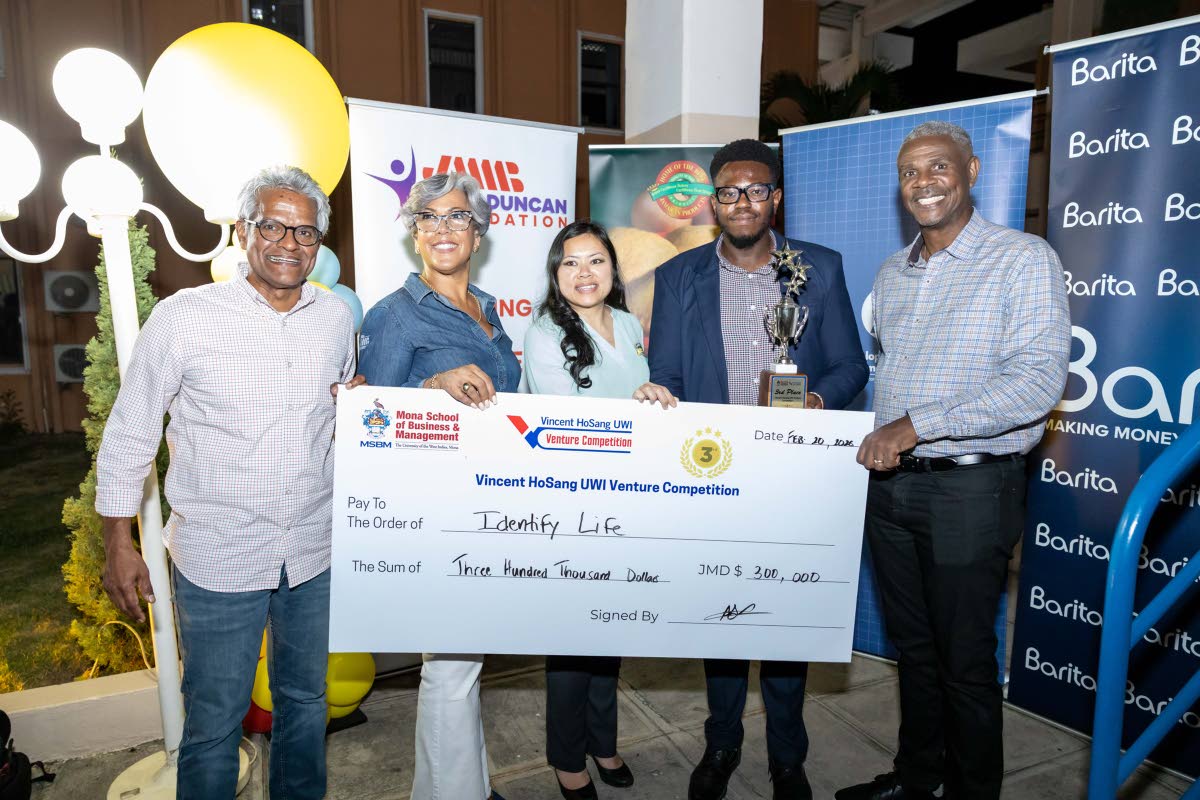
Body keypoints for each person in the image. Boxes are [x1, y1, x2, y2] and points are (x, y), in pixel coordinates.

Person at [96, 165, 362, 799]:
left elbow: (338, 414)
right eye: (273, 225)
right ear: (244, 231)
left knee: (306, 702)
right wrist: (118, 543)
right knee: (214, 723)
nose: (289, 243)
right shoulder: (183, 317)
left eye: (305, 232)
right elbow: (131, 431)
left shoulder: (333, 320)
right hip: (219, 555)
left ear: (320, 243)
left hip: (312, 553)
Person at [841, 121, 1070, 800]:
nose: (923, 183)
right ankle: (917, 779)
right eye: (910, 173)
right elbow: (891, 377)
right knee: (914, 653)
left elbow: (1035, 382)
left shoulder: (1022, 258)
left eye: (937, 168)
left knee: (965, 663)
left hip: (971, 492)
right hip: (890, 492)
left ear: (970, 169)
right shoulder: (894, 270)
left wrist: (916, 426)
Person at [649, 138, 868, 800]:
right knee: (722, 613)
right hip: (711, 474)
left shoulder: (818, 268)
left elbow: (851, 366)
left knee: (785, 615)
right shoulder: (678, 275)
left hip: (791, 477)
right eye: (728, 191)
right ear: (713, 201)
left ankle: (788, 756)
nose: (742, 202)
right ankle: (721, 743)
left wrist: (816, 403)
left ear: (776, 198)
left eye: (756, 190)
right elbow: (667, 373)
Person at [357, 171, 518, 800]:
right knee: (450, 668)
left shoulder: (490, 309)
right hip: (436, 510)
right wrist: (431, 387)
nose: (443, 229)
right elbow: (369, 421)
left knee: (467, 665)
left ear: (476, 234)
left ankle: (466, 786)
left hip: (489, 503)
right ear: (414, 232)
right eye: (430, 218)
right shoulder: (393, 315)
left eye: (457, 218)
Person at [522, 220, 676, 800]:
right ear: (555, 275)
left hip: (629, 498)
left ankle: (602, 741)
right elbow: (563, 427)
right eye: (570, 263)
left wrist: (657, 397)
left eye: (595, 261)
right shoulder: (543, 332)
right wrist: (632, 405)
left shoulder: (633, 324)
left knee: (610, 628)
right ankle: (567, 757)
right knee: (570, 638)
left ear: (614, 270)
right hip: (572, 503)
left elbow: (645, 397)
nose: (583, 274)